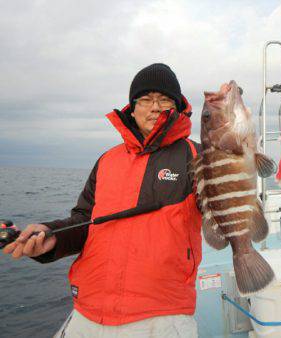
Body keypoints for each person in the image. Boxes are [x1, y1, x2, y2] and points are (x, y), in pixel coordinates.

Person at [3, 63, 202, 337]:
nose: (154, 107)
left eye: (164, 99)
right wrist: (52, 239)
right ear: (132, 107)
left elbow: (224, 210)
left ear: (177, 107)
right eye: (145, 99)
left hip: (161, 315)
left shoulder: (198, 157)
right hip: (88, 309)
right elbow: (85, 221)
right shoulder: (108, 160)